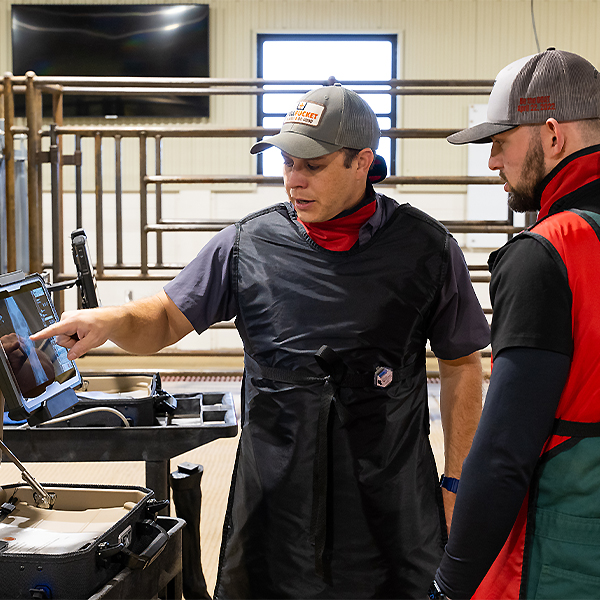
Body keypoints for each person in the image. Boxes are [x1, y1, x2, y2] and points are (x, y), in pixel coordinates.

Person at [32, 84, 489, 599]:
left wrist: (457, 484)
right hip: (275, 501)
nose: (294, 180)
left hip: (391, 498)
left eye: (312, 166)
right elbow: (162, 318)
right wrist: (111, 320)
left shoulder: (426, 249)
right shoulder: (248, 244)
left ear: (363, 162)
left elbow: (461, 365)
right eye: (288, 163)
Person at [432, 49, 600, 600]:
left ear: (553, 137)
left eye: (501, 142)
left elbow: (504, 451)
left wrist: (451, 583)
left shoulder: (548, 253)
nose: (492, 162)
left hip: (568, 553)